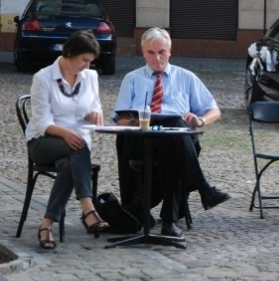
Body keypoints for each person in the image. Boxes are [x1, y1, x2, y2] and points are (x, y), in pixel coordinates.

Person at [114, 28, 230, 238]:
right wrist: (141, 117)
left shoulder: (186, 77)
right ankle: (200, 192)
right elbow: (121, 118)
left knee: (175, 138)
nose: (157, 58)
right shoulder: (132, 78)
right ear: (143, 53)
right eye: (151, 53)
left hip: (175, 140)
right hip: (143, 140)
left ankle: (170, 219)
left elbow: (215, 111)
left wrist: (200, 119)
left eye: (162, 52)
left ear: (170, 51)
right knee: (177, 139)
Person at [26, 30, 108, 249]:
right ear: (70, 53)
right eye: (84, 60)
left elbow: (95, 105)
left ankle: (46, 226)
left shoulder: (90, 77)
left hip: (74, 148)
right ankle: (88, 208)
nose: (87, 66)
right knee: (77, 147)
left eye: (90, 62)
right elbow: (42, 122)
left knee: (68, 166)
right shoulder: (43, 78)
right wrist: (65, 133)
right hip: (43, 141)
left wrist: (94, 113)